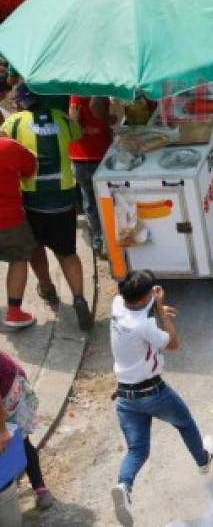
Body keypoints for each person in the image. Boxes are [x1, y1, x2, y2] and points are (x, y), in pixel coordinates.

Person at [110, 270, 213, 527]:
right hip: (153, 392)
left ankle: (124, 485)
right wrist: (158, 308)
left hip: (125, 396)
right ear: (145, 297)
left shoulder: (117, 306)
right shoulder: (144, 326)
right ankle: (203, 461)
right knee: (184, 422)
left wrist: (153, 308)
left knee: (137, 450)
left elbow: (137, 311)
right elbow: (174, 343)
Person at [0, 83, 92, 331]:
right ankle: (80, 298)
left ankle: (47, 287)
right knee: (67, 252)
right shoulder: (62, 119)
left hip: (32, 201)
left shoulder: (13, 124)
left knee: (35, 248)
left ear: (19, 103)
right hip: (62, 199)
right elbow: (78, 133)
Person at [0, 350, 54, 509]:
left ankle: (40, 487)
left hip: (12, 394)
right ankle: (9, 479)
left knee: (21, 440)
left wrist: (3, 432)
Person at [68, 95, 117, 254]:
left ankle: (99, 240)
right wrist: (109, 119)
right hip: (95, 154)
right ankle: (108, 239)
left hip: (81, 156)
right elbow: (94, 105)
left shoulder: (76, 92)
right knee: (107, 200)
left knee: (90, 201)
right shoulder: (95, 89)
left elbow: (72, 123)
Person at [0, 134, 38, 329]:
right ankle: (14, 312)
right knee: (18, 258)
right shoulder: (9, 146)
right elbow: (30, 168)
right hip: (8, 219)